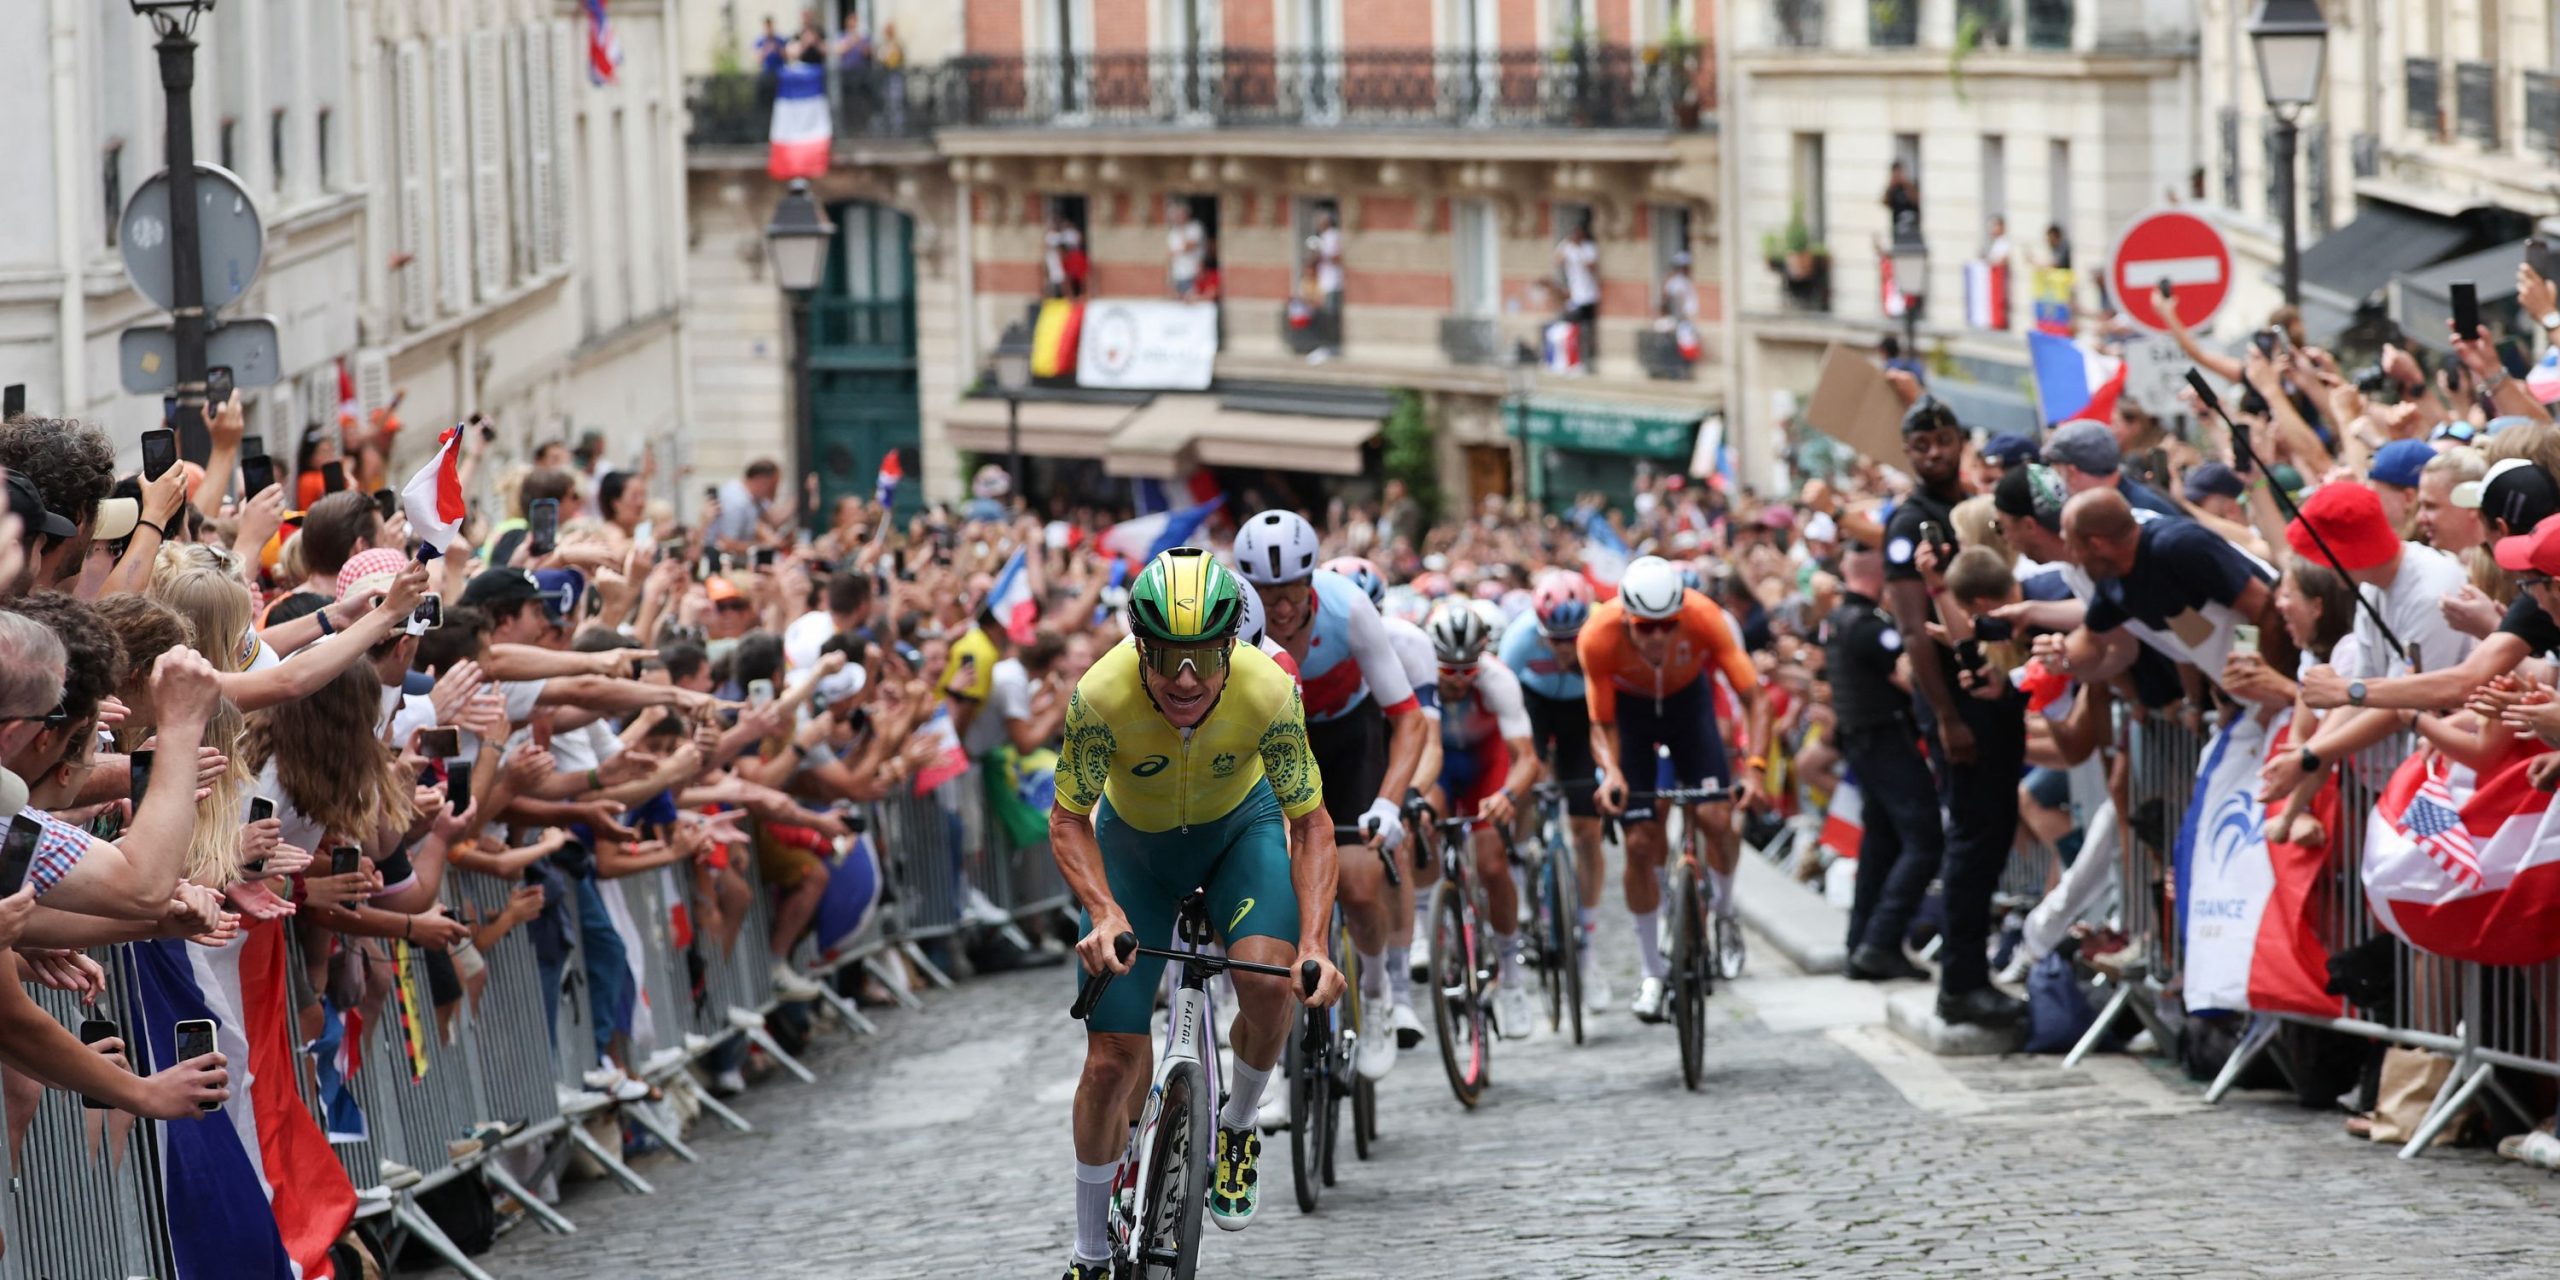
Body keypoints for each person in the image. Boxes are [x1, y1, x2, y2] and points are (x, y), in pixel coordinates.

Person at [1055, 550, 1342, 1277]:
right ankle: (1090, 1254)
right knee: (1110, 1060)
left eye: (1206, 657)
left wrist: (1314, 940)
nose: (1187, 680)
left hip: (1236, 836)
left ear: (1230, 647)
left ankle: (1240, 1123)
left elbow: (1310, 824)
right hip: (1135, 852)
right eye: (1169, 659)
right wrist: (1102, 911)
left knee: (1272, 983)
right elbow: (1067, 819)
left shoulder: (1270, 691)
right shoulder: (1100, 695)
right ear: (1142, 648)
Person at [1233, 510, 1426, 1080]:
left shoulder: (1348, 608)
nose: (1283, 606)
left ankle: (1377, 994)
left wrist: (1388, 804)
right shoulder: (1235, 615)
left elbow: (1409, 720)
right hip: (1270, 736)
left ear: (1313, 579)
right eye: (1269, 592)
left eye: (1293, 589)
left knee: (1362, 883)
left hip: (1344, 735)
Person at [1878, 398, 2026, 1026]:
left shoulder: (1972, 509)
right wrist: (1947, 717)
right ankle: (1961, 982)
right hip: (1959, 703)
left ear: (1960, 440)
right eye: (1921, 445)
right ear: (1907, 451)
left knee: (1991, 837)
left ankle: (1973, 972)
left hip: (1998, 688)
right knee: (1972, 837)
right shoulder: (1908, 522)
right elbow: (1916, 632)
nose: (1934, 453)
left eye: (1942, 441)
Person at [1581, 556, 1769, 1023]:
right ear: (1626, 617)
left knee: (1716, 818)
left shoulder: (1705, 616)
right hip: (1632, 715)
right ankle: (1651, 970)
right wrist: (1613, 775)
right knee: (1641, 843)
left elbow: (1755, 698)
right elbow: (1601, 725)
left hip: (1690, 707)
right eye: (1646, 628)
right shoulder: (1598, 636)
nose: (1659, 637)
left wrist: (1757, 769)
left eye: (1668, 625)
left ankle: (1724, 914)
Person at [1819, 545, 1934, 982]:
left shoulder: (1835, 621)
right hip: (1885, 741)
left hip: (1863, 744)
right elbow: (1907, 676)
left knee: (1881, 846)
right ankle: (1880, 942)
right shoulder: (1868, 626)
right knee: (1925, 841)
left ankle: (1862, 943)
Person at [1424, 601, 1539, 1037]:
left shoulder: (1498, 680)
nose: (1456, 682)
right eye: (1446, 671)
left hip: (1485, 765)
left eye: (1466, 672)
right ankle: (1426, 921)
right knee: (1424, 817)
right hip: (1440, 766)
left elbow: (1526, 758)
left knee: (1491, 863)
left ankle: (1511, 974)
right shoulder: (1415, 673)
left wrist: (1508, 794)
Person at [1500, 572, 1611, 1010]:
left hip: (1583, 711)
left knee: (1587, 828)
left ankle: (1588, 947)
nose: (1565, 649)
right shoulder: (1519, 639)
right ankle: (1521, 852)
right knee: (1528, 777)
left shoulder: (1602, 631)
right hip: (1535, 701)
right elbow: (1502, 708)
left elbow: (1612, 707)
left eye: (1573, 639)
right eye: (1556, 640)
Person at [2042, 419, 2181, 518]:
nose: (2058, 483)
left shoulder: (2136, 515)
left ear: (2071, 472)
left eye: (2059, 472)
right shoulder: (2119, 503)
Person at [1556, 218, 1601, 368]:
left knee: (1588, 326)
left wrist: (1580, 250)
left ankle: (1588, 356)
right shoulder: (1567, 247)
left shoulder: (1588, 247)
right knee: (1573, 327)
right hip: (1575, 294)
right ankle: (1575, 358)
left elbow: (1592, 266)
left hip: (1589, 294)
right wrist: (1565, 244)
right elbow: (1557, 260)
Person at [1167, 199, 1207, 300]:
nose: (1178, 217)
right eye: (1176, 214)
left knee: (1194, 302)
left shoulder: (1195, 227)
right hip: (1178, 275)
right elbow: (1170, 254)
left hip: (1193, 273)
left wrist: (1182, 233)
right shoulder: (1172, 232)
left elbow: (1190, 246)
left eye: (1181, 214)